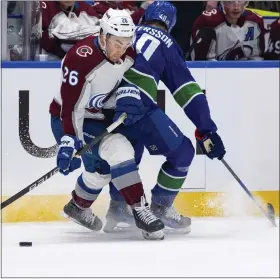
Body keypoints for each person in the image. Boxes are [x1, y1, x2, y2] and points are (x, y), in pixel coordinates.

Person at [81, 1, 226, 233]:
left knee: (126, 156)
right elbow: (186, 90)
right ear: (171, 25)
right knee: (183, 152)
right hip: (139, 107)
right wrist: (205, 127)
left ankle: (118, 207)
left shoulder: (127, 32)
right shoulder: (167, 43)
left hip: (106, 105)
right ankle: (160, 206)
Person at [49, 8, 164, 240]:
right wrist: (68, 140)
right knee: (119, 148)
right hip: (68, 119)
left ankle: (78, 206)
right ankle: (139, 209)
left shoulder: (129, 52)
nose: (121, 51)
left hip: (100, 117)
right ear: (103, 36)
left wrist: (132, 94)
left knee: (102, 170)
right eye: (116, 44)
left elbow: (143, 78)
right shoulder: (78, 59)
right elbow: (72, 107)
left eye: (126, 43)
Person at [191, 1, 265, 60]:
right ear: (223, 2)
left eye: (240, 1)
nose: (236, 7)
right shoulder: (207, 21)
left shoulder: (255, 21)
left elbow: (257, 57)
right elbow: (204, 64)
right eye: (230, 1)